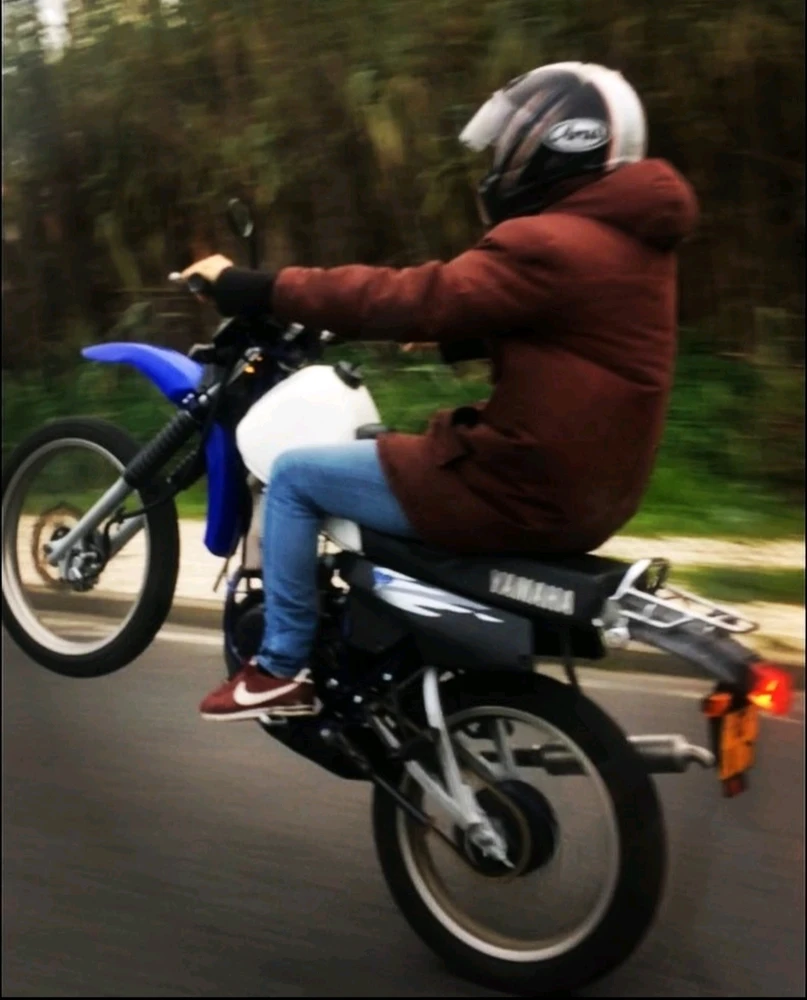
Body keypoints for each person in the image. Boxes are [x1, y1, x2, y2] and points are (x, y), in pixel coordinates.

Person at [185, 61, 698, 722]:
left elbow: (406, 295)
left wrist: (253, 288)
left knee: (295, 476)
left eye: (515, 145)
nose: (503, 161)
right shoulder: (632, 243)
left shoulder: (547, 240)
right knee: (384, 453)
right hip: (595, 492)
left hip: (518, 489)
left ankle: (281, 667)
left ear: (558, 145)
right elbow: (585, 333)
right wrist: (455, 336)